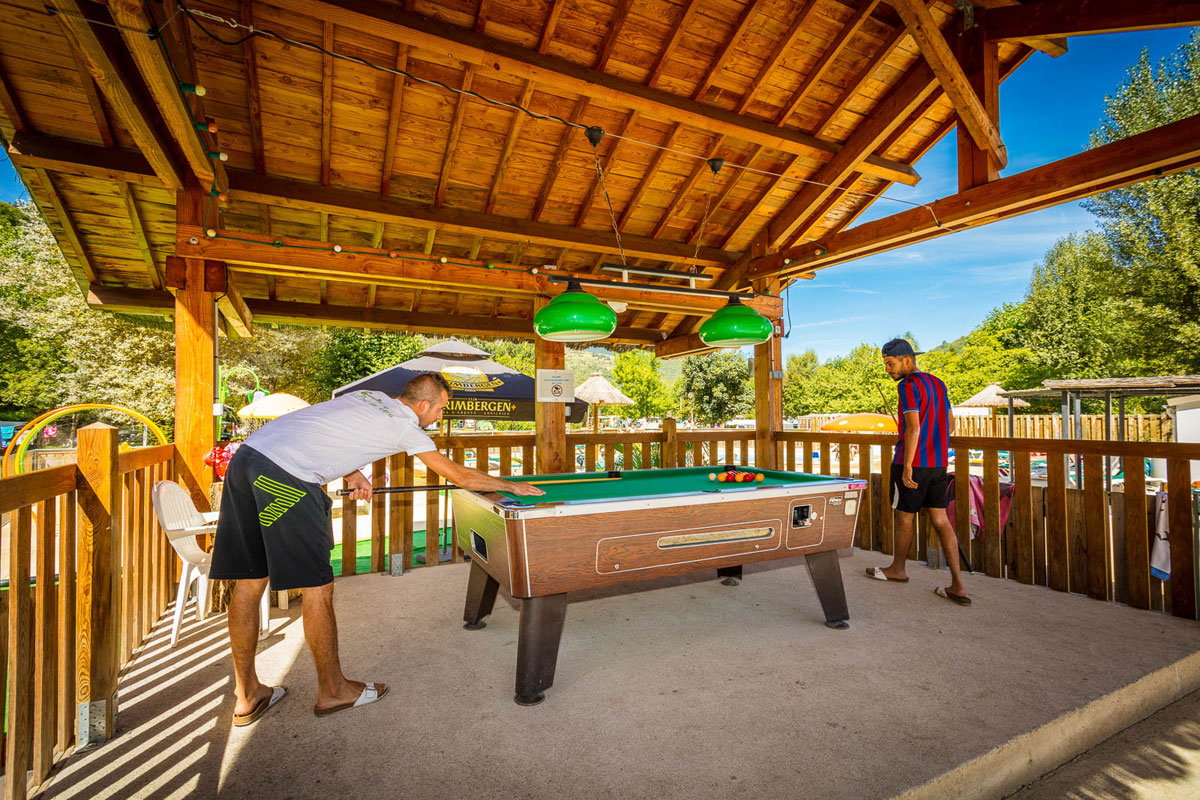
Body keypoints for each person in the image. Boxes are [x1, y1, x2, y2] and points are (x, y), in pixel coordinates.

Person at [209, 372, 545, 726]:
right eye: (442, 409)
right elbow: (458, 476)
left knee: (249, 582)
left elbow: (327, 428)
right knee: (317, 589)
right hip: (288, 476)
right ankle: (333, 691)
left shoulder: (369, 397)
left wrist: (353, 473)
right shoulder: (407, 428)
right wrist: (510, 485)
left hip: (247, 459)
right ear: (424, 404)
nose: (440, 417)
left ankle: (247, 694)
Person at [865, 339, 970, 606]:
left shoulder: (908, 385)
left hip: (911, 462)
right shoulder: (937, 383)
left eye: (890, 363)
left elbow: (913, 428)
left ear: (907, 360)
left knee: (904, 518)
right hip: (938, 465)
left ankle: (898, 570)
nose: (888, 369)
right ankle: (958, 584)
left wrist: (909, 464)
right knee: (941, 520)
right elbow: (951, 425)